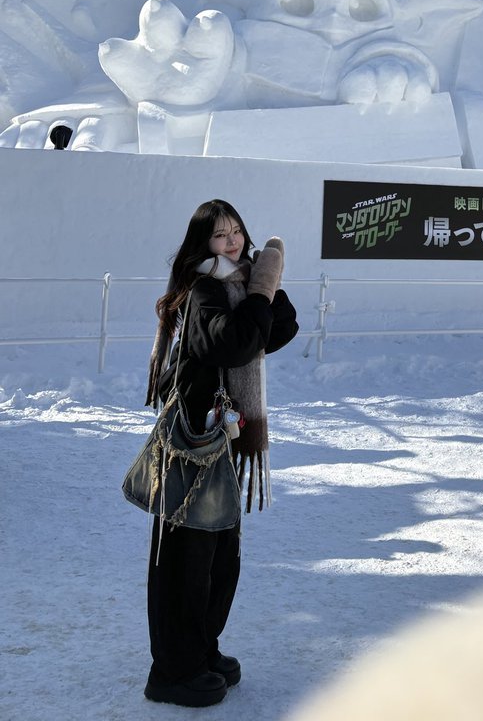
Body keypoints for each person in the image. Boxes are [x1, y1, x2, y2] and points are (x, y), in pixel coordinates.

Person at [142, 198, 298, 708]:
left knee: (220, 552)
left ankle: (201, 649)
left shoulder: (236, 283)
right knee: (186, 554)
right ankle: (172, 669)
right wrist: (259, 291)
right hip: (193, 438)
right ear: (201, 243)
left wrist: (263, 280)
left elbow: (278, 329)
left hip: (223, 436)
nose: (231, 241)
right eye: (219, 235)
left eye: (236, 232)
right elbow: (231, 345)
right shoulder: (205, 288)